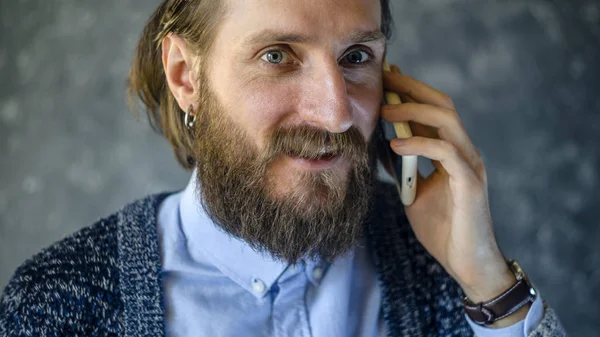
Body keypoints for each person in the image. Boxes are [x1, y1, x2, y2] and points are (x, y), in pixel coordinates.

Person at [0, 0, 566, 336]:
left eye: (356, 58)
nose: (336, 113)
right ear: (185, 77)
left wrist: (489, 283)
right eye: (277, 56)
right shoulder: (57, 301)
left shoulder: (442, 268)